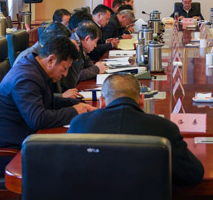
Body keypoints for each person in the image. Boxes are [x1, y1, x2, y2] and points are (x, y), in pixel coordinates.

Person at [0, 35, 96, 173]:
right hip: (8, 155)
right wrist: (74, 111)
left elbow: (47, 101)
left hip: (25, 143)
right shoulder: (26, 78)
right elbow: (38, 119)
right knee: (77, 162)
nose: (66, 74)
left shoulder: (34, 68)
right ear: (51, 60)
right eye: (64, 68)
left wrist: (76, 103)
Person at [69, 74, 204, 187]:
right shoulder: (164, 128)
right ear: (142, 100)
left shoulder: (79, 124)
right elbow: (193, 174)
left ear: (102, 102)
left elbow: (67, 171)